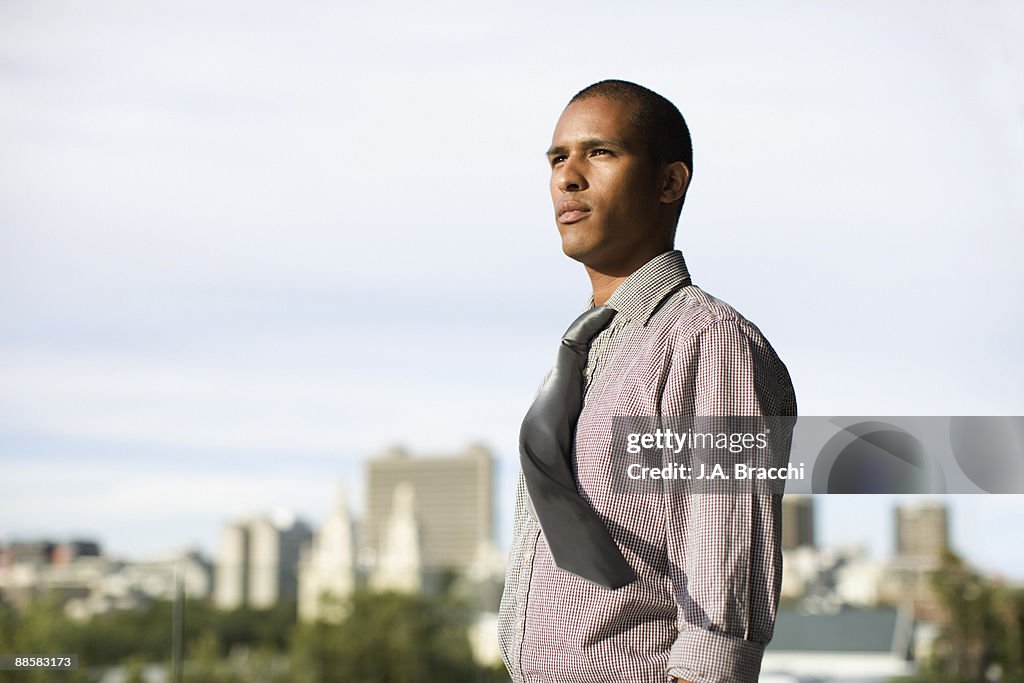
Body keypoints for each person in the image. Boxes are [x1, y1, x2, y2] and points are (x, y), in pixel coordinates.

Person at [498, 80, 798, 683]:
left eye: (599, 153)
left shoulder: (712, 345)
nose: (568, 177)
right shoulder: (582, 357)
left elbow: (722, 601)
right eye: (558, 159)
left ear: (669, 182)